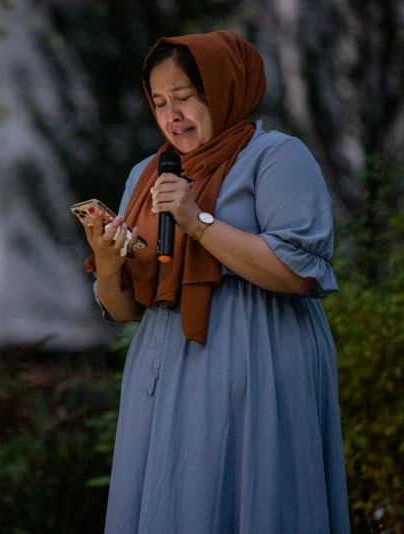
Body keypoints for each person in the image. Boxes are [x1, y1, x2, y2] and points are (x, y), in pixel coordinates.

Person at [80, 31, 350, 532]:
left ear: (224, 89)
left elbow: (296, 271)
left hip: (260, 356)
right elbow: (125, 310)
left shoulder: (277, 157)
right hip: (164, 369)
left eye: (184, 98)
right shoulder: (149, 173)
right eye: (159, 103)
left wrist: (196, 221)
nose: (171, 116)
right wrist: (108, 261)